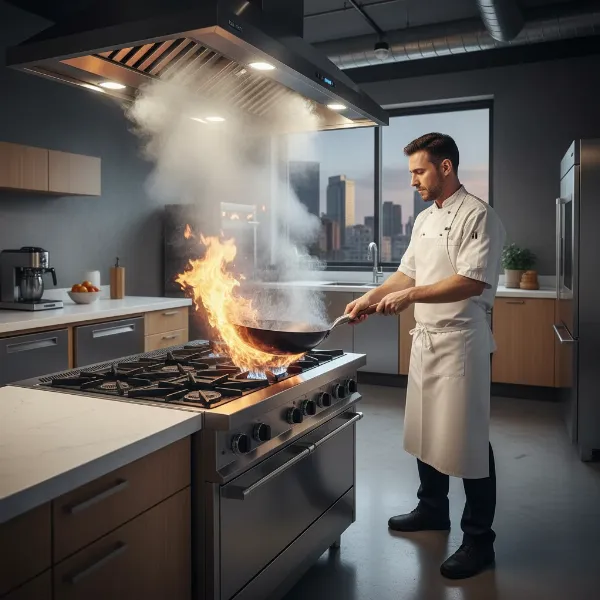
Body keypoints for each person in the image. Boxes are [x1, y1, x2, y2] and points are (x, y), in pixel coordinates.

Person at [345, 132, 506, 580]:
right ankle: (432, 509)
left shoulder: (481, 216)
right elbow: (406, 273)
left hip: (461, 341)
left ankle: (478, 541)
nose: (413, 180)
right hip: (426, 340)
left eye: (419, 171)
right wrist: (367, 298)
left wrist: (413, 294)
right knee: (424, 430)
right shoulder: (422, 220)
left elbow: (471, 282)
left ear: (446, 168)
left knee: (468, 439)